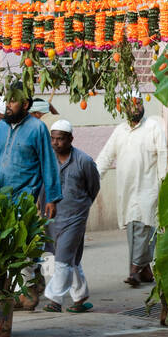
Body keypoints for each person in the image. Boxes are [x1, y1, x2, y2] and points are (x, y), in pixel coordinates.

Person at [0, 87, 62, 309]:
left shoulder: (37, 129)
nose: (7, 105)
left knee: (23, 246)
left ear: (25, 105)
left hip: (26, 198)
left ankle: (28, 292)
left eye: (13, 102)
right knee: (3, 247)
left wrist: (51, 198)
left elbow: (48, 163)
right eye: (6, 101)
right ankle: (18, 291)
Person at [96, 91, 167, 287]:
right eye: (131, 104)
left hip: (149, 188)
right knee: (134, 229)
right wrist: (92, 177)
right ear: (123, 107)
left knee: (142, 227)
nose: (136, 107)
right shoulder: (120, 131)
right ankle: (145, 271)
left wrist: (165, 183)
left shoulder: (153, 127)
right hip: (127, 189)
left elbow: (162, 156)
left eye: (139, 103)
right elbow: (105, 156)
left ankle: (134, 270)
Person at [43, 120, 100, 313]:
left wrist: (81, 207)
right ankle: (80, 296)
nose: (56, 143)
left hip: (75, 217)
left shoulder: (84, 161)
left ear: (70, 139)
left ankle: (54, 299)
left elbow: (94, 188)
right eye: (53, 139)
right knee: (69, 257)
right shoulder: (47, 160)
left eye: (60, 139)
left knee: (62, 258)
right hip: (51, 217)